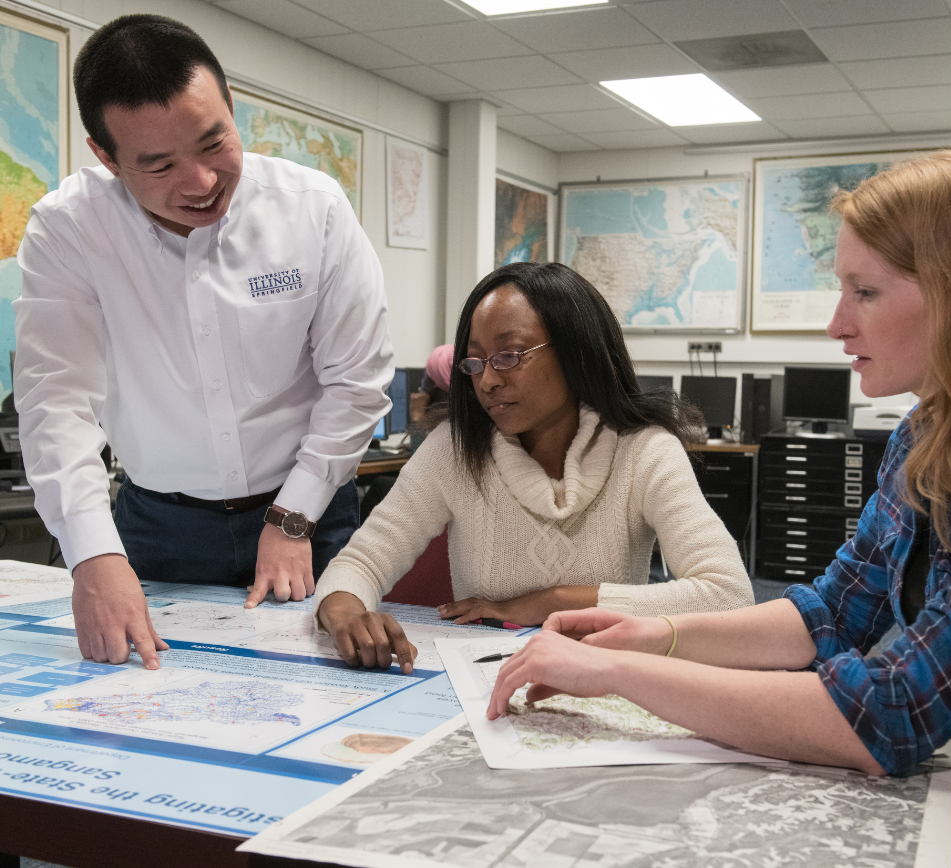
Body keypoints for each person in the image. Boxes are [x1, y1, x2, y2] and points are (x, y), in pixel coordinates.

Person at [488, 151, 951, 868]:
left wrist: (617, 675)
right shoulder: (926, 432)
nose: (836, 325)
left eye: (864, 292)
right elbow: (833, 612)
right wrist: (652, 634)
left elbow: (887, 716)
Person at [14, 15, 392, 671]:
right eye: (157, 165)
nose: (199, 183)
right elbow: (56, 402)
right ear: (105, 156)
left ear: (230, 107)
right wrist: (93, 556)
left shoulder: (312, 209)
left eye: (214, 143)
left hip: (308, 509)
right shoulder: (70, 229)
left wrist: (292, 517)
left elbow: (355, 383)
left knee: (325, 699)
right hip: (160, 525)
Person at [316, 262, 755, 672]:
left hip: (605, 680)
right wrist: (346, 612)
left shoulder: (644, 452)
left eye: (510, 355)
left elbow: (730, 596)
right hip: (483, 681)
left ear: (575, 352)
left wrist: (554, 600)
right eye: (475, 362)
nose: (487, 380)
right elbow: (360, 563)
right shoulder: (455, 451)